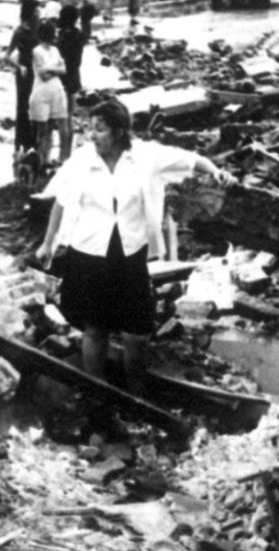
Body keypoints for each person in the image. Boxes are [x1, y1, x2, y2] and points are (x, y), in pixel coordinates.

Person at [35, 100, 230, 393]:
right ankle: (97, 391)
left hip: (130, 254)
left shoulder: (145, 156)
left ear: (119, 131)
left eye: (99, 129)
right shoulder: (81, 160)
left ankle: (135, 392)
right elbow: (60, 202)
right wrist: (48, 243)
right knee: (96, 328)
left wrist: (215, 171)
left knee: (136, 332)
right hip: (89, 254)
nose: (92, 135)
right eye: (90, 128)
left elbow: (188, 159)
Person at [29, 20, 69, 170]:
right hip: (42, 91)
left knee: (51, 126)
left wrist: (50, 69)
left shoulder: (55, 50)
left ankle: (47, 158)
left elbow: (63, 69)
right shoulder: (37, 51)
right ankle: (41, 159)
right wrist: (55, 69)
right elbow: (42, 75)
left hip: (56, 90)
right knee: (43, 128)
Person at [7, 0, 41, 160]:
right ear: (29, 13)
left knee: (35, 106)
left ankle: (34, 143)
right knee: (22, 107)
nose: (39, 13)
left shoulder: (40, 30)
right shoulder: (19, 31)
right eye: (36, 10)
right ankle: (20, 142)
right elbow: (7, 55)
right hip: (24, 72)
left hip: (38, 72)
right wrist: (19, 66)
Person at [56, 4, 85, 161]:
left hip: (62, 78)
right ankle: (68, 154)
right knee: (69, 117)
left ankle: (62, 155)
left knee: (62, 119)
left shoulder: (63, 37)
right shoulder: (78, 35)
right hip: (74, 77)